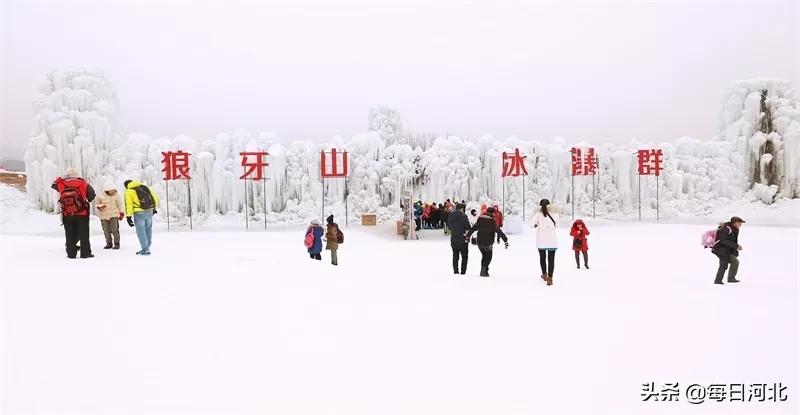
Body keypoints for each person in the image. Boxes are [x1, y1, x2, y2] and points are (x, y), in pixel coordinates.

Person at [51, 168, 96, 258]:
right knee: (84, 234)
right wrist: (87, 199)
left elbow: (53, 185)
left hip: (67, 214)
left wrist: (62, 178)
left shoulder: (61, 184)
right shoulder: (83, 183)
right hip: (82, 213)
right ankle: (85, 253)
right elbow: (92, 195)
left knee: (69, 234)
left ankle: (71, 254)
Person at [124, 180, 159, 256]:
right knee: (148, 229)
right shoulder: (144, 187)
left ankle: (145, 249)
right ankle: (147, 245)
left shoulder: (129, 191)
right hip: (149, 211)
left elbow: (129, 204)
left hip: (139, 213)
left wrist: (128, 217)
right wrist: (154, 208)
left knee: (141, 231)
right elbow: (154, 196)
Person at [466, 206, 504, 277]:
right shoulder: (492, 221)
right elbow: (498, 230)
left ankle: (484, 271)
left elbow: (473, 228)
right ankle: (483, 271)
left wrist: (468, 236)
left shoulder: (480, 219)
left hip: (479, 242)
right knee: (488, 257)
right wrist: (505, 240)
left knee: (484, 256)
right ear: (492, 213)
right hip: (488, 242)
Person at [532, 199, 559, 286]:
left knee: (542, 258)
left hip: (541, 240)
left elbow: (531, 224)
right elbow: (557, 225)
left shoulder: (538, 214)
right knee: (551, 260)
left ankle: (544, 274)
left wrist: (537, 224)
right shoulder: (555, 214)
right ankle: (550, 278)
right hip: (552, 240)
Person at [711, 216, 745, 284]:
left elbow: (730, 241)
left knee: (730, 263)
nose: (741, 224)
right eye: (740, 223)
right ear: (735, 223)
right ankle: (720, 280)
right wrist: (736, 246)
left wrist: (735, 248)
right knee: (727, 263)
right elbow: (723, 240)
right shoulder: (726, 229)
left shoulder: (732, 229)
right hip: (720, 249)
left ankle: (725, 279)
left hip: (724, 250)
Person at [95, 182, 125, 249]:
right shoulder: (100, 196)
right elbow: (96, 205)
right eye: (111, 190)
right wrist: (99, 207)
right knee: (106, 230)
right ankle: (109, 243)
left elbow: (120, 205)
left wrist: (121, 213)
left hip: (114, 215)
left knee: (115, 230)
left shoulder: (117, 195)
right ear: (107, 190)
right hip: (103, 216)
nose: (112, 192)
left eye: (113, 190)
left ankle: (117, 243)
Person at [447, 203, 471, 275]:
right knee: (464, 256)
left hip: (453, 239)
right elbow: (468, 227)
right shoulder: (464, 216)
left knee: (455, 256)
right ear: (462, 208)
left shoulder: (451, 215)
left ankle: (456, 271)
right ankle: (463, 272)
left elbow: (449, 226)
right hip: (462, 239)